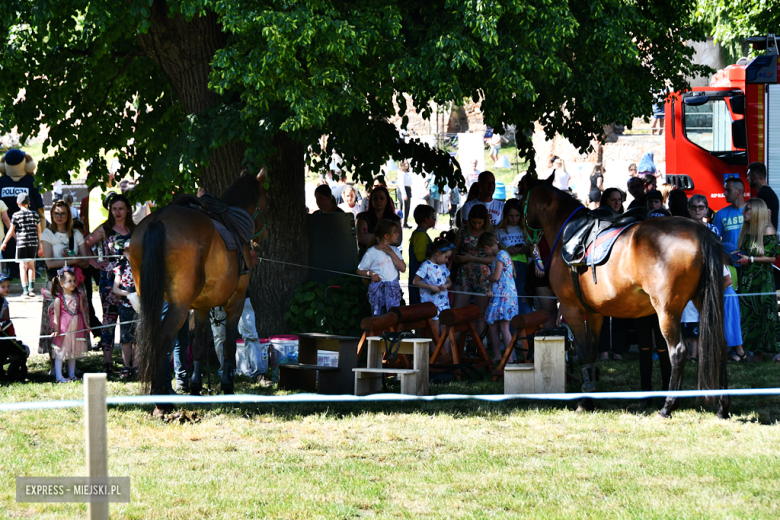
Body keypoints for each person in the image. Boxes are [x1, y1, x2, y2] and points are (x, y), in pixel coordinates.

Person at [85, 192, 135, 374]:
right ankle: (107, 363)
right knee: (109, 319)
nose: (118, 212)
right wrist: (95, 263)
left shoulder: (135, 229)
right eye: (114, 209)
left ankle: (129, 364)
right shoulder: (104, 229)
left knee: (131, 320)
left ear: (128, 209)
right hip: (109, 281)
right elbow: (85, 244)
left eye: (121, 208)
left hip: (131, 280)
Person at [38, 201, 90, 369]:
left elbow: (86, 261)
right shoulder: (47, 233)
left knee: (75, 321)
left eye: (63, 214)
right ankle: (55, 365)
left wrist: (72, 259)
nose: (59, 217)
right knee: (55, 323)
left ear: (69, 215)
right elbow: (49, 263)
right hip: (55, 283)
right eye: (56, 213)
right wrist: (73, 260)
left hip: (74, 283)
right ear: (51, 215)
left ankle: (72, 364)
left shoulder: (76, 233)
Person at [736, 198, 780, 362]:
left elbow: (772, 257)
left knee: (766, 314)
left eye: (747, 209)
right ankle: (756, 353)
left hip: (762, 280)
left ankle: (775, 352)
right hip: (747, 279)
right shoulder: (746, 230)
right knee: (748, 315)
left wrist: (751, 259)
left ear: (757, 212)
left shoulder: (768, 230)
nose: (743, 212)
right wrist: (742, 259)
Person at [452, 204, 494, 336]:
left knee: (480, 314)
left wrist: (472, 258)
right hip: (464, 273)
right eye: (474, 222)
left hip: (483, 275)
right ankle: (455, 344)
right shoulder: (463, 230)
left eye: (479, 223)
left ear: (485, 221)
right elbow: (455, 248)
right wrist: (456, 258)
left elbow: (494, 258)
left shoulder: (490, 232)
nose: (476, 226)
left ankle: (478, 346)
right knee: (458, 311)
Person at [482, 233, 519, 362]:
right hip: (498, 296)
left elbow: (496, 276)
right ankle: (498, 356)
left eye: (484, 251)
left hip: (504, 296)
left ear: (487, 247)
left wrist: (487, 278)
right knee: (493, 326)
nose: (485, 253)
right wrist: (490, 287)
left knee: (504, 327)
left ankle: (510, 358)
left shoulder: (500, 256)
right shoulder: (501, 255)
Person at [413, 237, 454, 354]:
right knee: (434, 331)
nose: (447, 260)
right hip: (432, 305)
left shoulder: (443, 266)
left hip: (444, 304)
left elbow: (449, 281)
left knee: (445, 330)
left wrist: (446, 285)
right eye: (446, 257)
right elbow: (416, 281)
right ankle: (435, 357)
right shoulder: (425, 265)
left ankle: (446, 356)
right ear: (438, 253)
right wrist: (430, 287)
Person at [49, 266, 90, 383]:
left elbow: (82, 311)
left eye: (74, 281)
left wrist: (86, 325)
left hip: (76, 326)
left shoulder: (78, 296)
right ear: (62, 284)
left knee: (72, 352)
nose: (73, 283)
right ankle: (59, 376)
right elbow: (56, 316)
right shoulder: (59, 299)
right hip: (64, 328)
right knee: (60, 353)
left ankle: (71, 375)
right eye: (69, 281)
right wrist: (56, 329)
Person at [357, 219, 406, 315]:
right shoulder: (371, 252)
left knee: (393, 317)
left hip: (393, 293)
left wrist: (392, 253)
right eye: (395, 233)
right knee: (379, 318)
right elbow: (359, 270)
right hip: (378, 294)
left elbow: (403, 268)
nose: (398, 234)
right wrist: (371, 273)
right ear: (386, 236)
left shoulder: (395, 250)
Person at [495, 199, 533, 314]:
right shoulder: (499, 230)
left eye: (517, 215)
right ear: (505, 215)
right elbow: (493, 252)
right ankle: (510, 331)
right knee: (508, 301)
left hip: (523, 267)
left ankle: (525, 329)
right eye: (511, 216)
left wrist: (526, 250)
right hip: (505, 268)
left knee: (523, 298)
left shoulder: (526, 230)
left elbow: (535, 251)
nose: (514, 219)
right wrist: (506, 251)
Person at [1, 193, 41, 297]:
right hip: (33, 243)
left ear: (18, 203)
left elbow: (11, 231)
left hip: (21, 243)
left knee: (22, 266)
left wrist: (4, 242)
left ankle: (25, 291)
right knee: (32, 266)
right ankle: (32, 289)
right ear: (29, 203)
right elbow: (39, 232)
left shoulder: (16, 215)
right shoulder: (35, 214)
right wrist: (40, 246)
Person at [355, 186, 402, 260]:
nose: (378, 201)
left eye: (381, 198)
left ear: (387, 201)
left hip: (387, 260)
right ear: (371, 200)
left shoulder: (394, 219)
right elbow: (362, 238)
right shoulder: (363, 217)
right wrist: (388, 237)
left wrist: (371, 236)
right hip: (367, 259)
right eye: (375, 198)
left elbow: (397, 241)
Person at [113, 246, 138, 380]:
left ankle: (136, 365)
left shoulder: (143, 266)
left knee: (138, 338)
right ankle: (126, 365)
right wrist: (128, 294)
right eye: (128, 252)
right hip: (125, 305)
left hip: (139, 306)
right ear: (124, 253)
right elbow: (115, 288)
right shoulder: (121, 267)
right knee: (125, 337)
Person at [0, 274, 29, 382]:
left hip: (4, 335)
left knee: (21, 350)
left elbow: (6, 321)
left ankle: (11, 374)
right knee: (22, 351)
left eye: (8, 286)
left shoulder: (4, 301)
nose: (7, 288)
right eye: (3, 286)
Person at [408, 205, 436, 305]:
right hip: (418, 277)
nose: (435, 220)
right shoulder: (420, 235)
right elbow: (420, 257)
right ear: (426, 219)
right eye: (433, 217)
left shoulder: (421, 234)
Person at [713, 177, 746, 253]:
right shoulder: (720, 214)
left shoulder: (753, 211)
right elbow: (714, 240)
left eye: (728, 190)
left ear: (739, 192)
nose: (725, 193)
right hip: (729, 261)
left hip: (750, 261)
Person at [747, 162, 778, 230]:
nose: (747, 179)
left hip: (765, 238)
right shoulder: (769, 192)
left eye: (748, 176)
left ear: (754, 177)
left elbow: (764, 220)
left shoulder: (763, 194)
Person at [397, 161, 413, 228]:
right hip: (403, 190)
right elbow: (401, 184)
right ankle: (401, 223)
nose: (407, 164)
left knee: (407, 207)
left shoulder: (407, 173)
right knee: (403, 207)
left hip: (408, 189)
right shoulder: (401, 173)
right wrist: (404, 194)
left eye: (407, 163)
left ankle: (405, 222)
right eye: (405, 163)